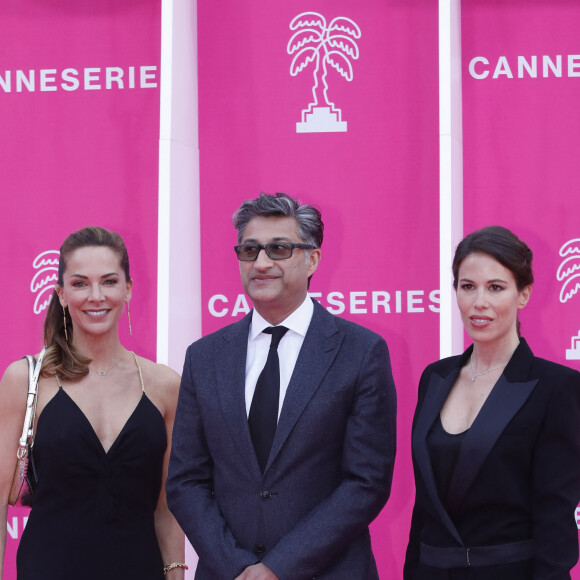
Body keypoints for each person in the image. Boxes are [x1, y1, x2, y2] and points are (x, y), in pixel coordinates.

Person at [167, 192, 397, 580]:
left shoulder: (360, 351)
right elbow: (185, 481)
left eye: (279, 249)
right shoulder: (204, 356)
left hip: (329, 571)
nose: (261, 263)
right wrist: (237, 567)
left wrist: (278, 568)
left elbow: (366, 483)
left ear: (312, 259)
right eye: (250, 250)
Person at [0, 227, 185, 580]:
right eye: (81, 283)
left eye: (109, 282)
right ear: (61, 294)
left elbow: (166, 508)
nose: (96, 296)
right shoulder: (25, 380)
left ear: (128, 289)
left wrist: (175, 572)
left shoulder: (164, 386)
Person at [404, 225, 580, 580]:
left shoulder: (556, 387)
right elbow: (425, 507)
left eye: (495, 287)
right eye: (467, 287)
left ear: (523, 294)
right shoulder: (434, 378)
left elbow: (555, 517)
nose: (478, 302)